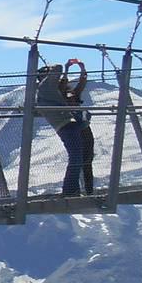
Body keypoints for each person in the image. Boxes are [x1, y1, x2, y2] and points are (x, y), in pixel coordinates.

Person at [33, 62, 84, 198]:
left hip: (64, 125)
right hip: (66, 125)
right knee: (76, 157)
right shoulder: (46, 86)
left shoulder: (44, 92)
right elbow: (58, 68)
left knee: (77, 157)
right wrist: (54, 68)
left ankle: (73, 190)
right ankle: (70, 190)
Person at [61, 58, 95, 194]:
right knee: (78, 160)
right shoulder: (61, 100)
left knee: (87, 160)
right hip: (76, 130)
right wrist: (66, 70)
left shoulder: (74, 95)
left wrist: (82, 69)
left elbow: (82, 82)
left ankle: (88, 190)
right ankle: (77, 190)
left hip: (85, 130)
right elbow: (63, 84)